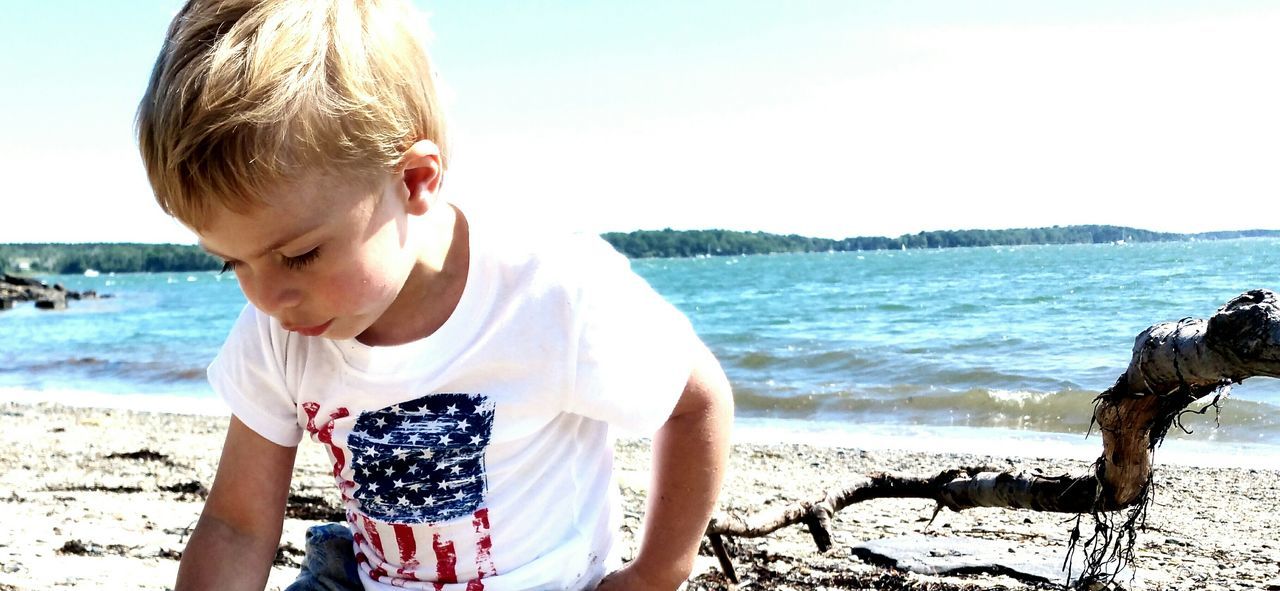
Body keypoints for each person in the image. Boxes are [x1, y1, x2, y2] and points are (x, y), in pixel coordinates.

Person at [135, 1, 734, 590]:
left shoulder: (549, 293)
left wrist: (657, 573)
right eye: (231, 264)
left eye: (300, 255)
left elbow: (696, 401)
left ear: (414, 180)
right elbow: (236, 524)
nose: (267, 297)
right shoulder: (279, 330)